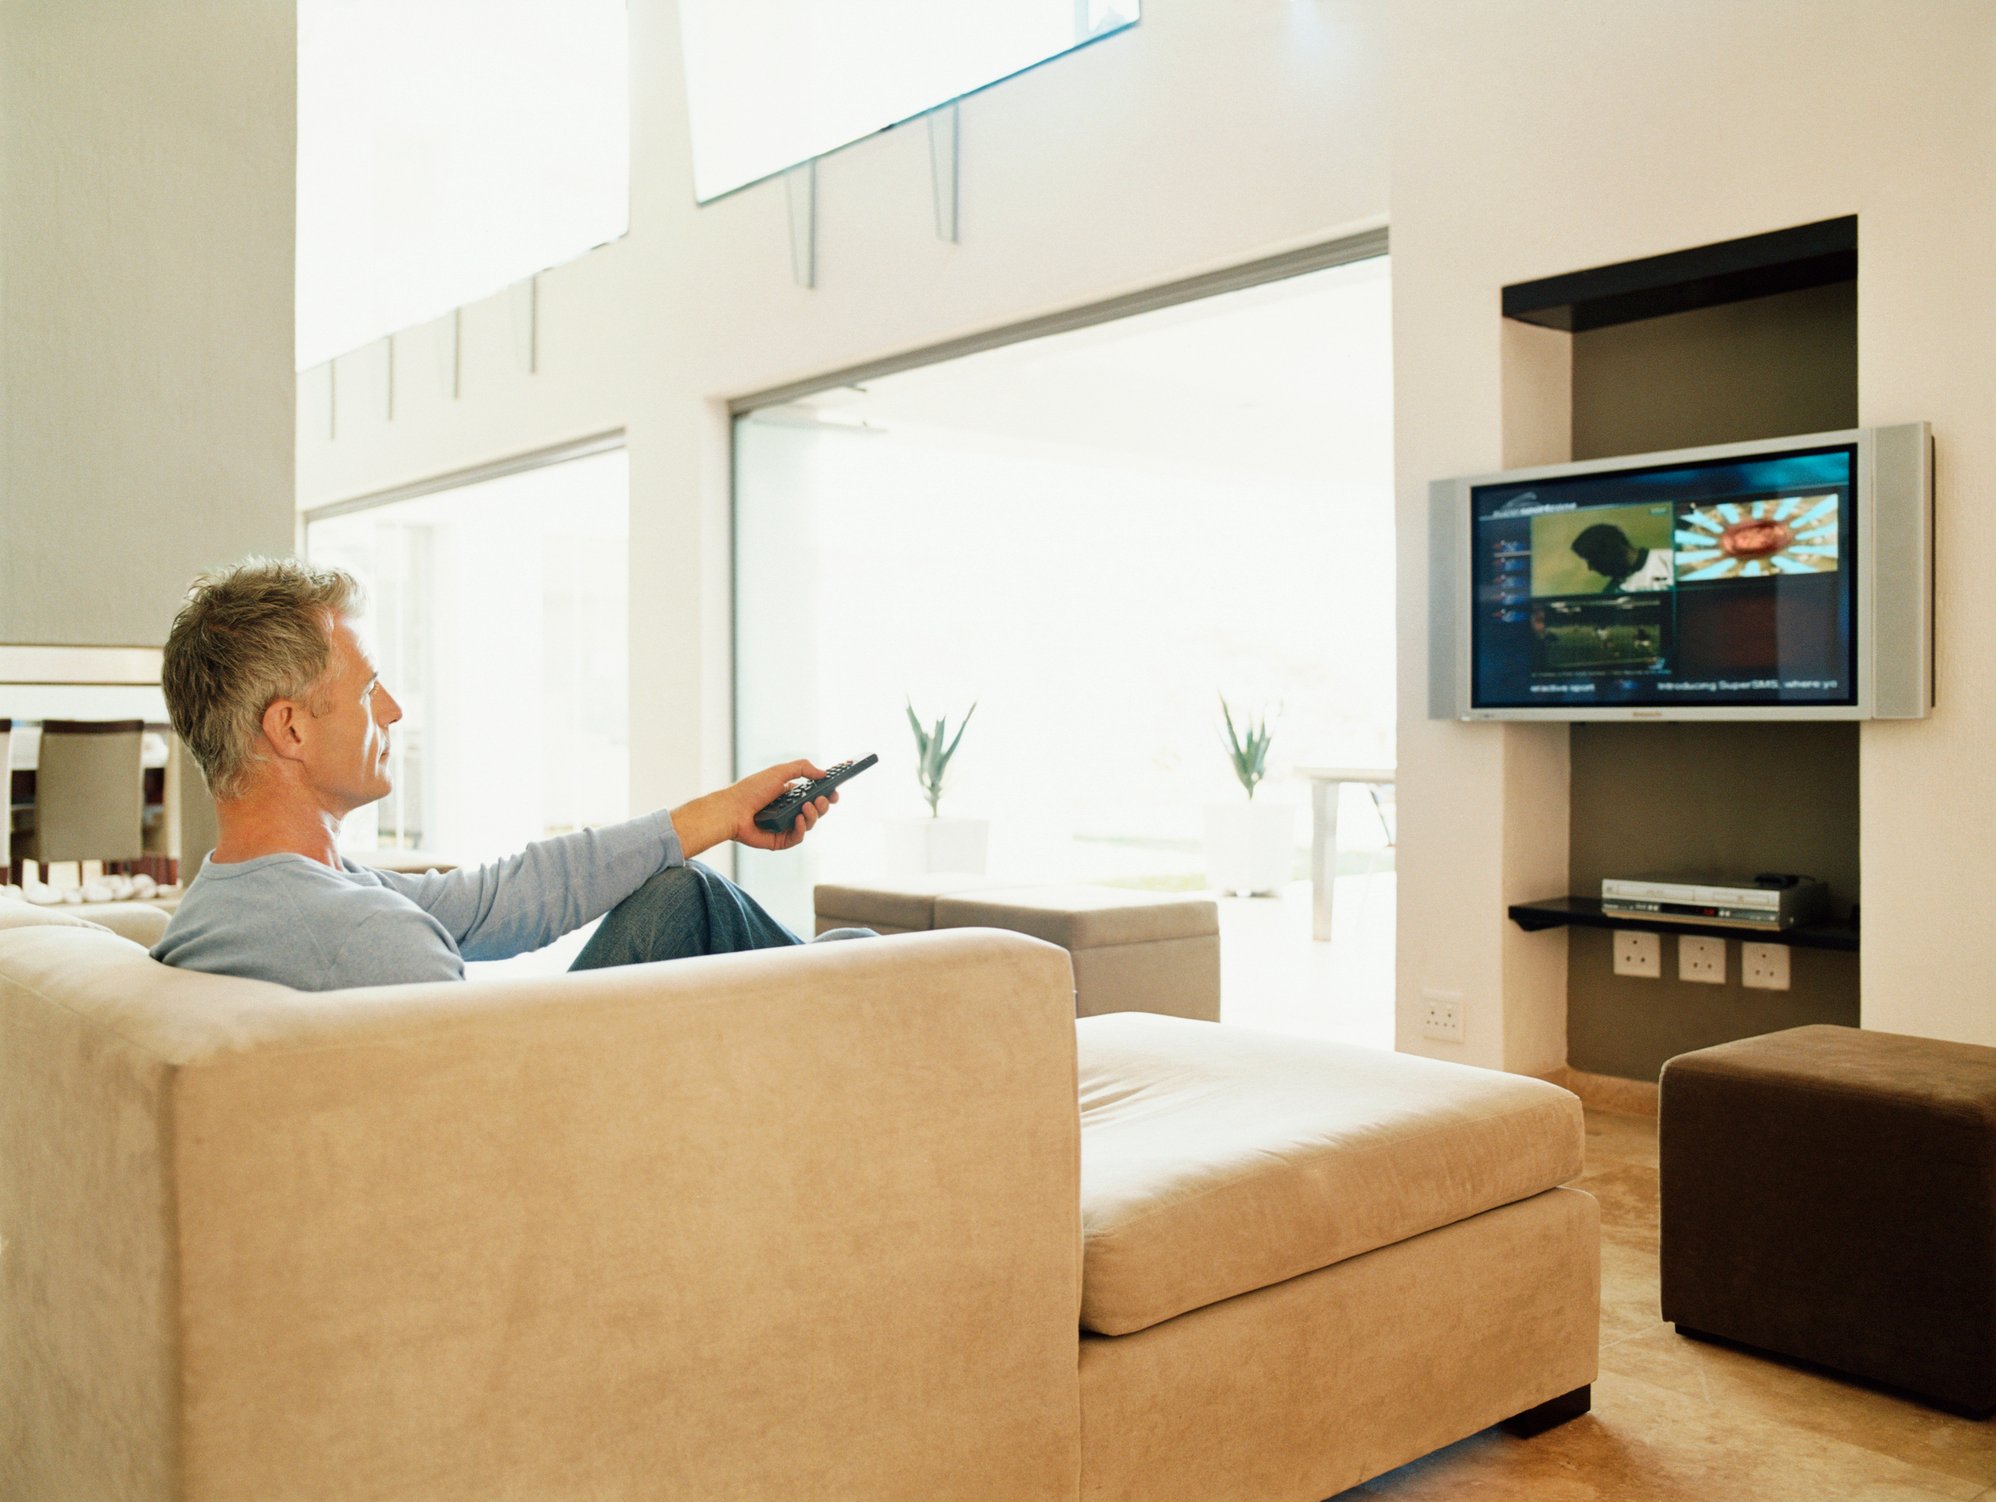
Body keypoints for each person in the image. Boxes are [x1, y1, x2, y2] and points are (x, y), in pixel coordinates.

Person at [151, 557, 866, 991]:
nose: (395, 712)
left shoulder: (242, 899)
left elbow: (502, 898)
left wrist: (727, 810)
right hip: (546, 1137)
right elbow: (498, 1112)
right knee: (854, 969)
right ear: (291, 728)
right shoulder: (365, 936)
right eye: (371, 692)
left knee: (685, 897)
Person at [1570, 522, 1672, 593]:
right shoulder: (1612, 591)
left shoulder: (1669, 559)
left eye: (1593, 560)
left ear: (1613, 550)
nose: (1590, 568)